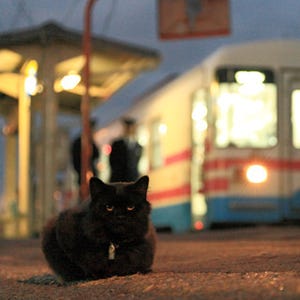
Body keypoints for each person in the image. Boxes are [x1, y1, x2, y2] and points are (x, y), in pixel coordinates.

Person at [109, 117, 142, 182]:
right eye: (128, 128)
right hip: (119, 179)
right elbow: (112, 161)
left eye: (132, 127)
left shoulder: (138, 146)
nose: (130, 130)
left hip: (133, 179)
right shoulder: (117, 144)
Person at [71, 119, 99, 187]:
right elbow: (75, 160)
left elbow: (96, 155)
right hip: (82, 176)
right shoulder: (78, 143)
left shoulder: (91, 142)